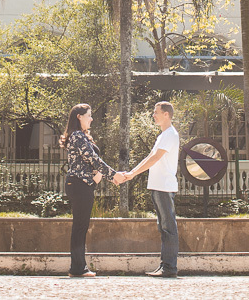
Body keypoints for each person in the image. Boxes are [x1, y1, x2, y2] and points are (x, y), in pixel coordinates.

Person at [60, 103, 125, 278]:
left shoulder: (81, 136)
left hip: (82, 185)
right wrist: (114, 175)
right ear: (79, 117)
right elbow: (93, 159)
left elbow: (93, 163)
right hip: (79, 185)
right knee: (80, 227)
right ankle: (77, 268)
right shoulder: (77, 136)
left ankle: (78, 267)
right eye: (89, 115)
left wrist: (107, 177)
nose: (91, 118)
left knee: (81, 226)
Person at [118, 101, 179, 278]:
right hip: (157, 186)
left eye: (156, 112)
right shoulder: (163, 136)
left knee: (168, 227)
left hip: (164, 187)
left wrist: (133, 173)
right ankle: (165, 266)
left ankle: (169, 268)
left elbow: (155, 158)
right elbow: (150, 157)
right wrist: (132, 173)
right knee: (163, 227)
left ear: (166, 114)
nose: (153, 115)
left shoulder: (170, 134)